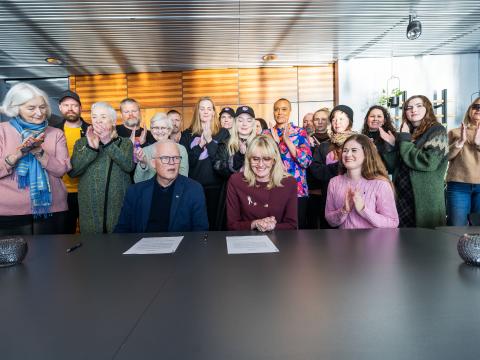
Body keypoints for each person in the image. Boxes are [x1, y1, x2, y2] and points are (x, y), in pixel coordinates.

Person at [0, 82, 71, 235]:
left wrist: (39, 152)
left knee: (53, 258)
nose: (39, 113)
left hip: (53, 210)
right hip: (8, 214)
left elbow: (61, 170)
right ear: (15, 108)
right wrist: (19, 154)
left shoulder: (56, 133)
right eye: (31, 108)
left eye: (42, 107)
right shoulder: (2, 131)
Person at [382, 95, 448, 228]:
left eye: (418, 106)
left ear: (427, 108)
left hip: (424, 197)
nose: (413, 110)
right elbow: (394, 166)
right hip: (402, 194)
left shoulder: (437, 130)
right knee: (403, 240)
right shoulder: (407, 132)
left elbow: (429, 163)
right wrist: (391, 147)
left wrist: (404, 140)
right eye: (409, 107)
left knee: (426, 241)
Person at [115, 140, 208, 232]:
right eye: (165, 158)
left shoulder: (194, 190)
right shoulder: (135, 192)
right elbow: (121, 232)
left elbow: (200, 233)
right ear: (153, 163)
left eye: (176, 158)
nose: (172, 162)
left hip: (183, 246)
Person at [69, 102, 134, 234]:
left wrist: (108, 143)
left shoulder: (125, 142)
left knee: (118, 245)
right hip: (90, 209)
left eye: (103, 117)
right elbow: (73, 171)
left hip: (117, 206)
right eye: (94, 117)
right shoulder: (81, 143)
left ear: (113, 121)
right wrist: (91, 148)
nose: (98, 120)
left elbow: (128, 166)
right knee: (92, 249)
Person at [325, 134, 399, 229]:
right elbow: (330, 221)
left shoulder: (381, 184)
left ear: (366, 154)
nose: (348, 155)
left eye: (354, 150)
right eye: (345, 151)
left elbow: (393, 223)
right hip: (343, 242)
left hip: (373, 243)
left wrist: (363, 210)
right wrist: (344, 210)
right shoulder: (334, 182)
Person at [226, 135, 297, 231]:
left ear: (274, 160)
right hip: (245, 240)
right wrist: (254, 224)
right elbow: (232, 225)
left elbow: (292, 225)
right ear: (249, 159)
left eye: (266, 159)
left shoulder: (289, 183)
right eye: (255, 159)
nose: (260, 164)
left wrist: (273, 226)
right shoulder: (236, 181)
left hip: (279, 240)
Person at [180, 96, 229, 230]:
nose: (206, 112)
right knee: (196, 227)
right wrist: (200, 144)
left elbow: (222, 162)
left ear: (214, 112)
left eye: (209, 108)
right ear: (197, 112)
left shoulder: (223, 133)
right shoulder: (186, 135)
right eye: (202, 108)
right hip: (194, 189)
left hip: (216, 188)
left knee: (215, 227)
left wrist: (209, 141)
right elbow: (186, 163)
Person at [263, 98, 312, 229]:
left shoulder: (300, 132)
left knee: (298, 232)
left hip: (298, 191)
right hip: (272, 189)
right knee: (275, 230)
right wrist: (276, 144)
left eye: (284, 109)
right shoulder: (266, 134)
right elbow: (262, 162)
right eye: (276, 109)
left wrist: (287, 141)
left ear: (290, 111)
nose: (280, 112)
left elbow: (306, 162)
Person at [309, 105, 355, 228]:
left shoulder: (359, 141)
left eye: (341, 119)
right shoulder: (324, 146)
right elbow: (315, 169)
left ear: (349, 121)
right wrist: (339, 166)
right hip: (330, 196)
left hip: (355, 194)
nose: (337, 122)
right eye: (334, 119)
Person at [54, 90, 89, 233]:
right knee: (64, 233)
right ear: (60, 107)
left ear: (80, 108)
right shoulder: (53, 131)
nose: (70, 108)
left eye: (74, 105)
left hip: (87, 191)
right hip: (62, 192)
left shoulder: (91, 130)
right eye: (66, 105)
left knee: (89, 233)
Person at [446, 96, 480, 225]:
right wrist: (460, 142)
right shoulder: (455, 132)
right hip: (458, 186)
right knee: (456, 228)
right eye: (475, 106)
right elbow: (445, 157)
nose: (478, 109)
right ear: (470, 110)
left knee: (478, 230)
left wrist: (478, 144)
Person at [134, 112, 188, 183]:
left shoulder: (181, 149)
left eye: (163, 128)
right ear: (151, 130)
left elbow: (183, 178)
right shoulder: (145, 151)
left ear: (169, 130)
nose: (159, 131)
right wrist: (143, 163)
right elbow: (137, 181)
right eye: (156, 128)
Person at [213, 105, 257, 178]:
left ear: (253, 124)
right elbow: (218, 168)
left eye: (249, 121)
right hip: (233, 187)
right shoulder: (225, 144)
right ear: (235, 123)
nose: (244, 124)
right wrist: (238, 156)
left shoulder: (261, 143)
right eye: (240, 120)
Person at [305, 107, 330, 228]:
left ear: (329, 121)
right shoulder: (305, 139)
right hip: (311, 190)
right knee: (311, 227)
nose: (320, 122)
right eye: (316, 119)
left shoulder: (333, 140)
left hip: (328, 191)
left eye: (323, 119)